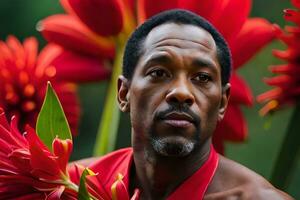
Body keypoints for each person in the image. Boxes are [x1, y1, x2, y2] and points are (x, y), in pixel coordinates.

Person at [73, 9, 293, 200]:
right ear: (124, 94)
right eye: (158, 73)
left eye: (202, 78)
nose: (181, 92)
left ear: (223, 103)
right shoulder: (63, 186)